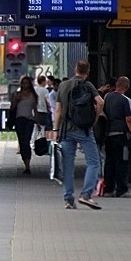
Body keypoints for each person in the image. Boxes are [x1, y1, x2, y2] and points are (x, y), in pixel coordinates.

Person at [53, 59, 104, 209]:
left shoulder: (63, 85)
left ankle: (68, 199)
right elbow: (100, 102)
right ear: (87, 72)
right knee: (94, 162)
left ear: (75, 69)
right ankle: (86, 194)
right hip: (83, 130)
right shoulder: (88, 85)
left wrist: (56, 130)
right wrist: (94, 119)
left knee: (67, 165)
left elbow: (58, 110)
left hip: (65, 130)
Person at [101, 75, 131, 197]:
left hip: (109, 135)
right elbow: (130, 120)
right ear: (127, 87)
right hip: (121, 136)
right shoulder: (126, 100)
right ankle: (122, 189)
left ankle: (108, 189)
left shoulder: (107, 97)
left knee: (109, 161)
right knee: (122, 161)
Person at [10, 75, 40, 174]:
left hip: (29, 120)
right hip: (19, 120)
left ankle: (28, 165)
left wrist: (37, 121)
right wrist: (16, 100)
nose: (25, 85)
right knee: (22, 142)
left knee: (26, 141)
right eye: (23, 83)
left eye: (27, 83)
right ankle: (25, 161)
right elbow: (12, 108)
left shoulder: (32, 95)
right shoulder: (17, 94)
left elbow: (35, 109)